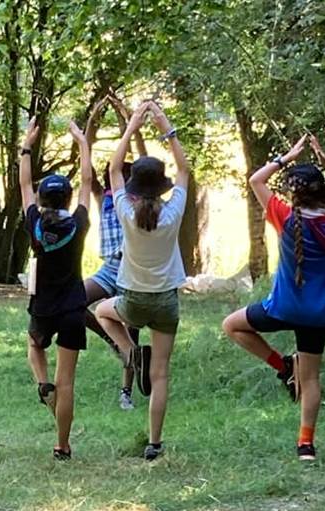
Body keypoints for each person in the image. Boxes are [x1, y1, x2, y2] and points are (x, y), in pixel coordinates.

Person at [222, 134, 325, 461]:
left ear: (293, 193)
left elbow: (256, 179)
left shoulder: (285, 218)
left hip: (281, 309)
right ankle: (305, 445)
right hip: (317, 314)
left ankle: (282, 366)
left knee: (231, 325)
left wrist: (287, 156)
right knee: (311, 378)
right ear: (324, 190)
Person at [96, 101, 190, 461]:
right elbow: (183, 168)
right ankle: (154, 442)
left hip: (132, 300)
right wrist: (166, 126)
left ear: (136, 188)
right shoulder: (173, 211)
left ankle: (130, 351)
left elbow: (113, 169)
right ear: (162, 188)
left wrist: (131, 125)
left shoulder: (125, 212)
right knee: (162, 373)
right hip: (165, 301)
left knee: (103, 312)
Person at [19, 117, 91, 460]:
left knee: (34, 344)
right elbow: (89, 179)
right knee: (69, 383)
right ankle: (62, 445)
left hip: (43, 308)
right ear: (68, 198)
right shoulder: (78, 223)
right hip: (74, 310)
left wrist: (26, 146)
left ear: (42, 199)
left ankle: (41, 382)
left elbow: (22, 185)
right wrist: (81, 142)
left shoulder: (34, 223)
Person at [84, 161, 140, 410]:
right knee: (73, 300)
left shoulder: (135, 204)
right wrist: (87, 131)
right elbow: (89, 176)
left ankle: (126, 392)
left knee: (131, 333)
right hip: (109, 270)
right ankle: (110, 337)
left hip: (132, 273)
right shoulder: (103, 200)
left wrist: (131, 127)